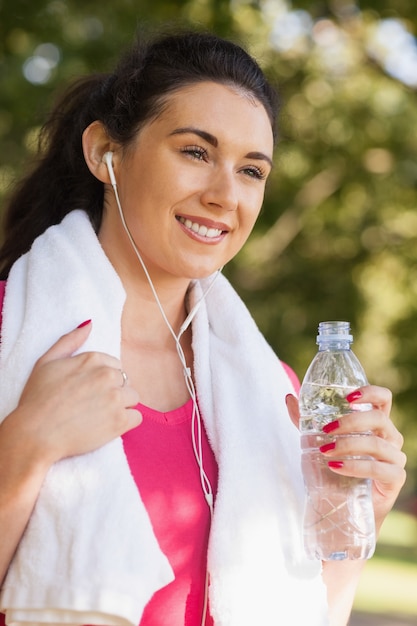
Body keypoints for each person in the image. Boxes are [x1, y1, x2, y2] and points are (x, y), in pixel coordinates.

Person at [0, 27, 406, 626]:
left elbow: (315, 613)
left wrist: (356, 508)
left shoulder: (274, 392)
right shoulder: (12, 333)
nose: (225, 195)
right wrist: (24, 448)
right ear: (104, 154)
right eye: (195, 152)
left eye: (252, 171)